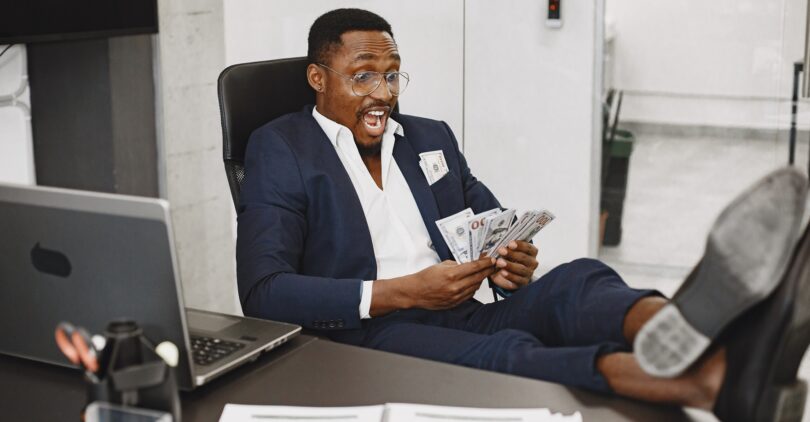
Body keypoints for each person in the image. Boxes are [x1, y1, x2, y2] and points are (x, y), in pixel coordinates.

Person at [236, 8, 810, 421]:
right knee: (507, 354)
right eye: (363, 75)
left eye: (391, 74)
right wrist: (404, 291)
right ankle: (708, 380)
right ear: (318, 78)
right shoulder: (282, 148)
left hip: (461, 309)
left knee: (578, 281)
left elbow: (493, 222)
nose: (383, 93)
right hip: (371, 335)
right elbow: (264, 291)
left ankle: (678, 331)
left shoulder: (429, 137)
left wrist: (513, 263)